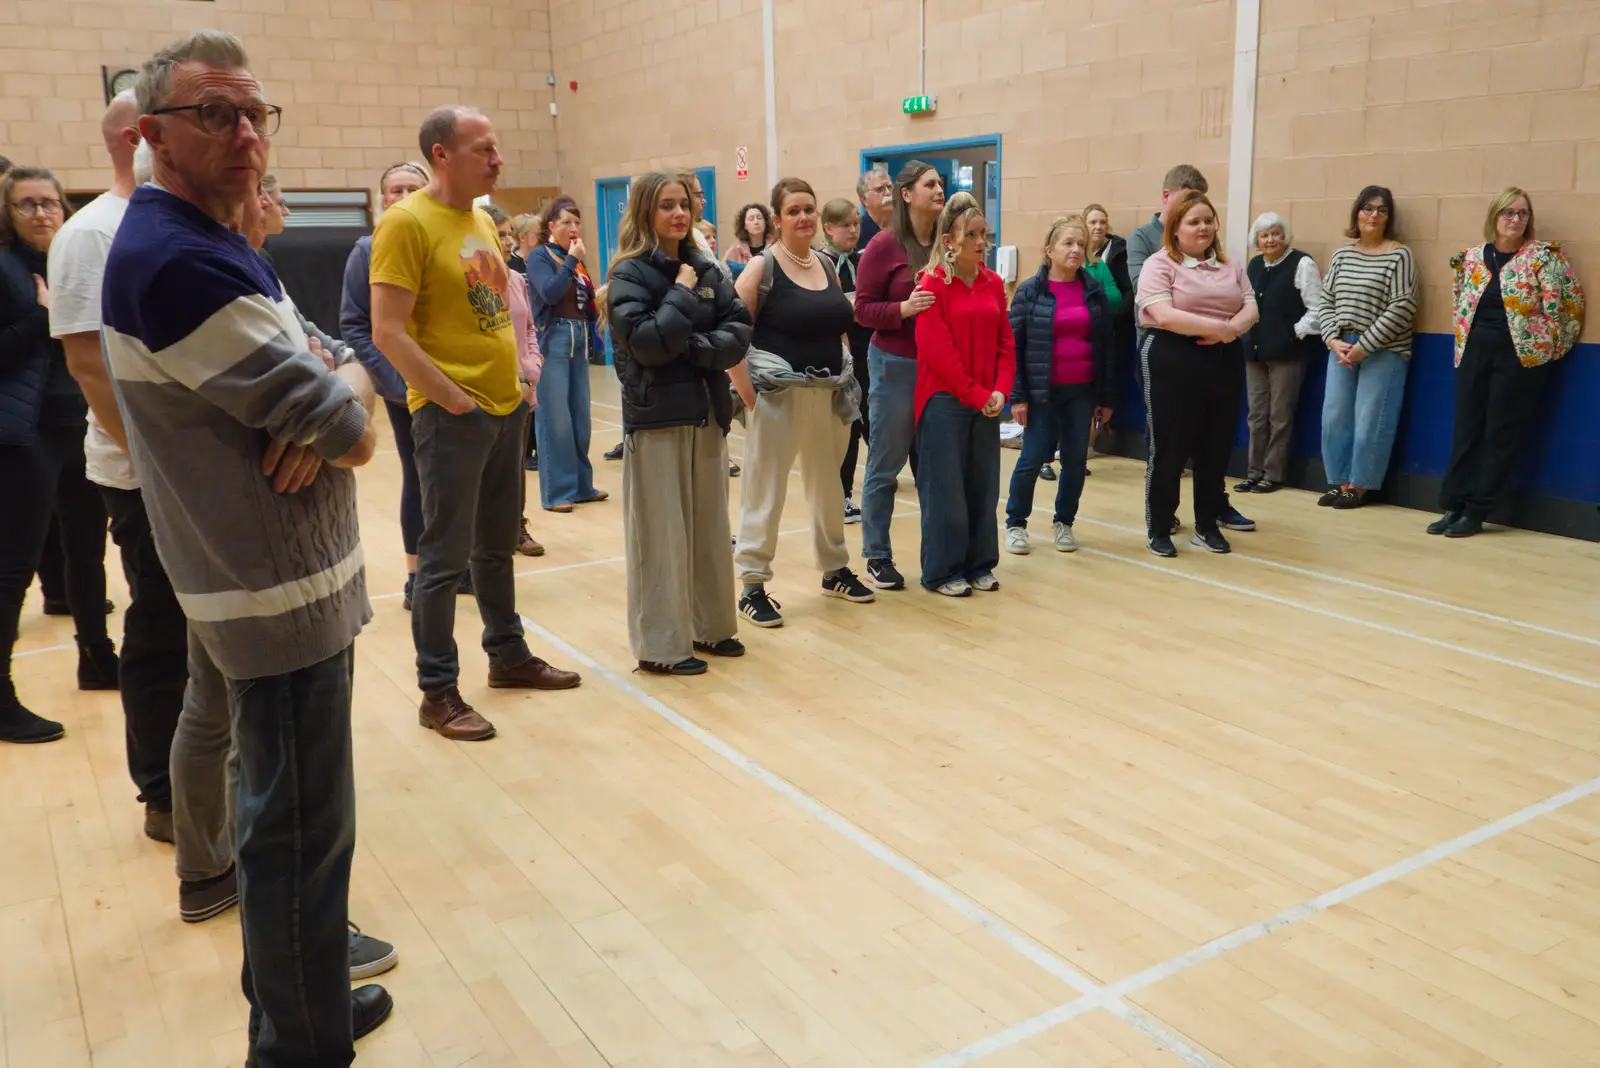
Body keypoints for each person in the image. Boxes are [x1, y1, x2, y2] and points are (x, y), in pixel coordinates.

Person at [102, 28, 393, 1060]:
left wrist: (333, 394)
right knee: (297, 834)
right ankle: (298, 1041)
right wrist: (338, 404)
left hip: (283, 582)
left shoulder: (219, 241)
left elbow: (332, 363)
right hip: (269, 594)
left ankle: (296, 996)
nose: (243, 134)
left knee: (295, 827)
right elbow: (355, 425)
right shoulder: (178, 260)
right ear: (152, 134)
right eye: (213, 114)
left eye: (255, 112)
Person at [370, 105, 582, 744]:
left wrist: (517, 383)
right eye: (483, 149)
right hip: (453, 417)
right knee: (443, 561)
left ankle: (508, 656)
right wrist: (452, 399)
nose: (497, 159)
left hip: (502, 410)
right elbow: (387, 332)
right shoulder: (406, 224)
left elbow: (499, 315)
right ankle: (437, 691)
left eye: (495, 148)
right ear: (442, 154)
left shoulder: (479, 224)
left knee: (494, 548)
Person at [46, 95, 181, 837]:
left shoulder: (180, 223)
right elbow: (89, 366)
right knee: (160, 628)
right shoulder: (89, 233)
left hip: (192, 472)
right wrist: (161, 464)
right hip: (141, 476)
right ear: (142, 136)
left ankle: (205, 766)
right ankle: (162, 788)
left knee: (204, 630)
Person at [604, 172, 753, 674]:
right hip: (655, 421)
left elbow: (737, 329)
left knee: (710, 528)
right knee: (661, 535)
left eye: (684, 204)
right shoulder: (628, 274)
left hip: (706, 412)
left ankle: (712, 628)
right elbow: (645, 343)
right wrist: (683, 294)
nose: (679, 214)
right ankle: (662, 648)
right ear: (646, 211)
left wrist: (691, 349)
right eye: (667, 205)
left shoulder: (705, 266)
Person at [0, 164, 119, 746]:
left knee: (87, 554)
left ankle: (96, 657)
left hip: (81, 421)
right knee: (13, 570)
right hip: (27, 434)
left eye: (49, 202)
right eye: (26, 204)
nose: (41, 213)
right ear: (9, 212)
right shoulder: (4, 269)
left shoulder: (73, 259)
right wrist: (41, 315)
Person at [730, 177, 874, 628]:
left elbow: (837, 326)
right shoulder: (762, 267)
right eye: (793, 211)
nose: (804, 217)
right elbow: (732, 335)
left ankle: (834, 569)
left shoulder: (826, 265)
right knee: (765, 489)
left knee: (829, 487)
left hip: (828, 396)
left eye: (809, 209)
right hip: (778, 399)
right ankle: (752, 585)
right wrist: (748, 394)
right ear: (777, 219)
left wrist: (845, 367)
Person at [1431, 187, 1585, 538]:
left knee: (1500, 433)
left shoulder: (1543, 258)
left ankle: (1477, 510)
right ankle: (1453, 504)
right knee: (1466, 429)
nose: (1516, 220)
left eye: (1523, 214)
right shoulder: (1471, 257)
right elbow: (1459, 302)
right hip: (1473, 352)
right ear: (1495, 217)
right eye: (1508, 213)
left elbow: (1567, 305)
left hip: (1520, 357)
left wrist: (1547, 350)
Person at [1135, 190, 1259, 558]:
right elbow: (1165, 315)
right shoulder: (1159, 265)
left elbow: (1251, 306)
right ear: (1175, 229)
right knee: (1170, 448)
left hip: (1223, 358)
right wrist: (1221, 328)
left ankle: (1206, 526)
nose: (1203, 227)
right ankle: (1160, 527)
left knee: (1215, 447)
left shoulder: (1230, 264)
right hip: (1172, 358)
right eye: (1194, 221)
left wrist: (1228, 332)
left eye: (1208, 220)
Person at [912, 192, 1015, 596]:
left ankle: (979, 564)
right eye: (970, 234)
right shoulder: (932, 282)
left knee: (983, 485)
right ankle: (942, 571)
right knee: (945, 490)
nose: (979, 241)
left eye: (983, 234)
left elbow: (1006, 343)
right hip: (944, 402)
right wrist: (975, 394)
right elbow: (938, 352)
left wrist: (1001, 392)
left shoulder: (991, 283)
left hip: (985, 402)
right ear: (950, 240)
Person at [341, 161, 434, 606]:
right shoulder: (366, 251)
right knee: (418, 478)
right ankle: (417, 575)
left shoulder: (446, 241)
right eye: (393, 190)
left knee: (461, 479)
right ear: (382, 201)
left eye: (411, 189)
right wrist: (399, 379)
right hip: (405, 390)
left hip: (458, 384)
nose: (401, 197)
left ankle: (462, 565)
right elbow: (356, 326)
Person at [853, 160, 944, 591]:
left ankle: (940, 555)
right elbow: (863, 309)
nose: (938, 189)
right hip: (894, 365)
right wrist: (903, 310)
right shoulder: (884, 246)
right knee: (886, 465)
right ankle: (877, 554)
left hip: (939, 367)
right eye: (930, 184)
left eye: (940, 183)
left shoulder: (947, 243)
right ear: (906, 194)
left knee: (933, 466)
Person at [1004, 215, 1116, 557]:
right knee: (1033, 457)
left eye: (1081, 244)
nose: (1076, 250)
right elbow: (1014, 346)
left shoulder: (1093, 291)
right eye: (1068, 243)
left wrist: (1106, 396)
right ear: (1049, 250)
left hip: (1082, 391)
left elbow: (1106, 347)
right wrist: (1018, 396)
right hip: (1042, 393)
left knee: (1074, 459)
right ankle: (1015, 524)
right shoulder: (1029, 290)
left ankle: (1064, 522)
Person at [1317, 185, 1418, 510]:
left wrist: (1364, 345)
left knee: (1370, 420)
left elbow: (1402, 306)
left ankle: (1360, 485)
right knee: (1335, 417)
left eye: (1381, 210)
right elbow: (1326, 300)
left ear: (1388, 218)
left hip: (1383, 351)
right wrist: (1333, 340)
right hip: (1340, 347)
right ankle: (1341, 480)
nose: (1374, 215)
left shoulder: (1399, 254)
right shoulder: (1341, 255)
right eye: (1367, 208)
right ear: (1356, 213)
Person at [525, 194, 606, 513]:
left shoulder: (576, 258)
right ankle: (556, 492)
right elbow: (549, 292)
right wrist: (572, 262)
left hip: (578, 338)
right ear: (551, 227)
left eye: (576, 222)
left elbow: (582, 299)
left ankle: (582, 486)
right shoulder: (540, 257)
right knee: (554, 418)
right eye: (566, 222)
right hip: (552, 338)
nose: (573, 228)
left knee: (580, 418)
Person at [1235, 212, 1323, 494]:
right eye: (1264, 235)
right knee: (1256, 415)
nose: (1270, 239)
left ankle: (1273, 474)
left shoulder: (1302, 263)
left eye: (1276, 233)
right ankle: (1253, 471)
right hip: (1255, 353)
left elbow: (1318, 308)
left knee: (1280, 416)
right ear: (1256, 240)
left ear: (1285, 236)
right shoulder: (1254, 265)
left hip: (1289, 354)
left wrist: (1294, 332)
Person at [818, 196, 872, 522]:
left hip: (868, 353)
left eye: (856, 224)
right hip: (837, 358)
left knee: (871, 422)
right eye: (846, 225)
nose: (853, 231)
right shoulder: (820, 263)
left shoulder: (863, 260)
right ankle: (841, 494)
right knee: (846, 427)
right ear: (828, 228)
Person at [1083, 202, 1133, 462]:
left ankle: (1091, 441)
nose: (1098, 227)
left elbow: (1123, 295)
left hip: (1112, 333)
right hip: (1082, 338)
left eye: (1102, 222)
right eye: (1093, 222)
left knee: (1104, 392)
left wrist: (1109, 318)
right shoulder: (1075, 257)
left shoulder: (1115, 256)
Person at [724, 202, 773, 268]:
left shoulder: (775, 246)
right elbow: (724, 274)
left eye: (759, 218)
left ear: (765, 222)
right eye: (751, 219)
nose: (756, 222)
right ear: (745, 226)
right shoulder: (735, 250)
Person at [857, 165, 893, 247]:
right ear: (864, 199)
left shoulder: (905, 225)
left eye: (890, 187)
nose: (888, 193)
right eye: (879, 189)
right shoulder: (857, 232)